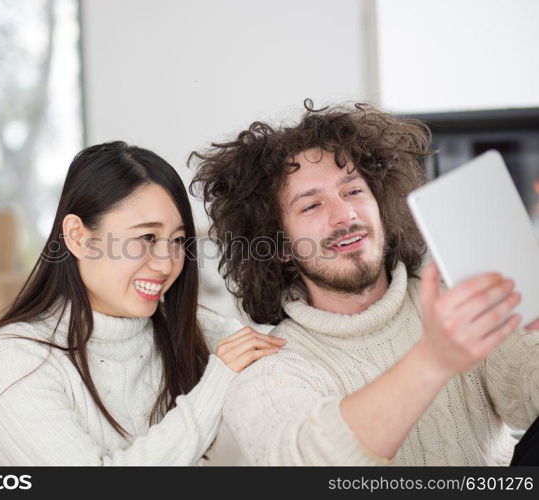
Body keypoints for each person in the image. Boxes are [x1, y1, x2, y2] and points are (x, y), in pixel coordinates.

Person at [189, 100, 539, 465]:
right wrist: (433, 360)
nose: (345, 215)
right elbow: (305, 462)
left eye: (353, 191)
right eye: (311, 206)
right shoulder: (270, 369)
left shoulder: (457, 307)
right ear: (279, 248)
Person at [0, 141, 285, 465]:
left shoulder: (191, 329)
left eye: (178, 241)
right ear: (78, 237)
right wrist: (216, 384)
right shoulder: (13, 360)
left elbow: (283, 351)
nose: (166, 263)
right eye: (146, 238)